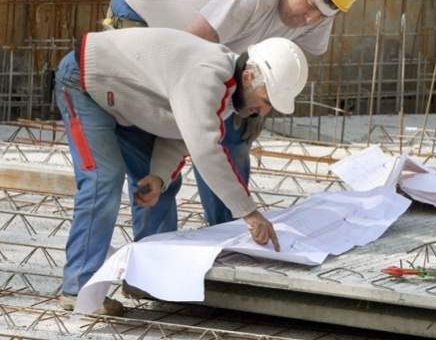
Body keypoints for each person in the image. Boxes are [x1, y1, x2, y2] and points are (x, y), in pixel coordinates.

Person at [104, 0, 365, 229]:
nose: (311, 20)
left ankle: (228, 235)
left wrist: (258, 100)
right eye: (310, 6)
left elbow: (283, 62)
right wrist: (193, 123)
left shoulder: (322, 7)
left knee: (234, 135)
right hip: (148, 20)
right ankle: (155, 249)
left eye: (323, 15)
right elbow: (186, 59)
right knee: (156, 151)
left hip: (213, 50)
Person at [57, 27, 308, 313]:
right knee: (103, 179)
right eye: (266, 100)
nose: (263, 112)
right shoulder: (208, 76)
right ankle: (77, 289)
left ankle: (147, 280)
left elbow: (178, 132)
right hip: (83, 83)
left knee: (159, 189)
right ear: (249, 77)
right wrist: (249, 213)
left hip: (121, 100)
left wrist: (159, 175)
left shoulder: (226, 95)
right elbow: (204, 150)